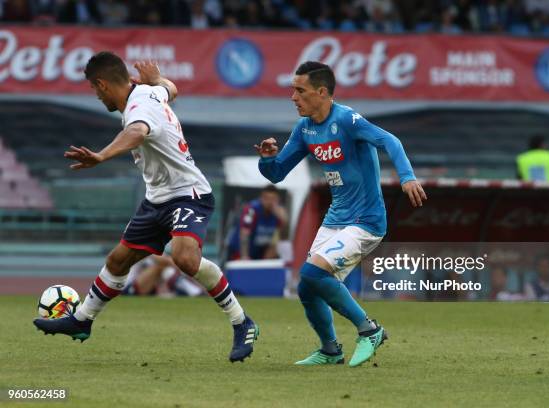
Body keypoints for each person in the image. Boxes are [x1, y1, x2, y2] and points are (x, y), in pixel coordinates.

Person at [33, 52, 258, 363]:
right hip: (157, 198)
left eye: (95, 90)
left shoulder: (138, 106)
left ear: (102, 84)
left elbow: (137, 131)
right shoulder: (147, 91)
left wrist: (101, 155)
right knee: (118, 260)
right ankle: (82, 319)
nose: (97, 97)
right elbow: (172, 90)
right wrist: (157, 80)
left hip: (188, 194)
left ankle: (241, 321)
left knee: (184, 257)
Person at [255, 61, 426, 367]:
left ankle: (369, 329)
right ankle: (331, 350)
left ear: (322, 92)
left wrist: (407, 176)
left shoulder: (347, 119)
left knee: (311, 273)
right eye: (292, 89)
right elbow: (278, 173)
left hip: (366, 221)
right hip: (336, 220)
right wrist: (267, 160)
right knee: (307, 287)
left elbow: (391, 140)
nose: (293, 97)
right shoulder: (305, 129)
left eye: (300, 90)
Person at [226, 184, 288, 261]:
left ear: (277, 200)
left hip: (258, 253)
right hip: (239, 251)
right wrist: (244, 256)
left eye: (273, 199)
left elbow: (282, 239)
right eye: (267, 198)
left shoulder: (278, 213)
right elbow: (244, 233)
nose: (270, 202)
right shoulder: (251, 210)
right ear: (261, 198)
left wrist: (284, 221)